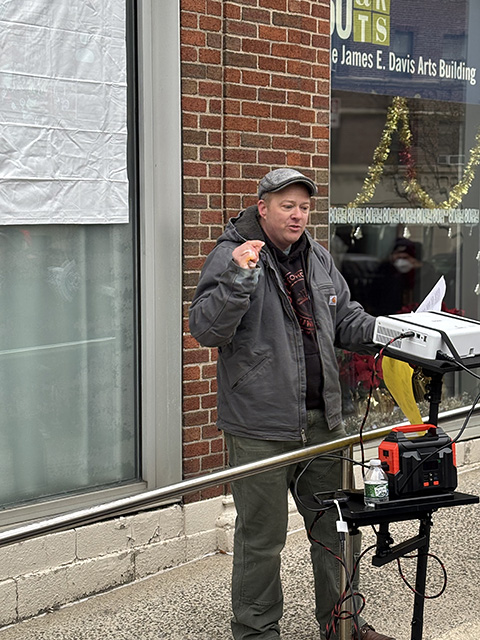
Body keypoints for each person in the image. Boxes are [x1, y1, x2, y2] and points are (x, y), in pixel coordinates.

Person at [189, 168, 395, 640]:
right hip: (260, 425)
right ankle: (257, 632)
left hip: (323, 420)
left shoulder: (317, 257)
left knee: (335, 529)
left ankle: (343, 625)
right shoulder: (233, 254)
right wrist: (239, 277)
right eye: (287, 206)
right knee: (262, 539)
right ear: (263, 208)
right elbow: (207, 329)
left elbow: (345, 319)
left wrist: (392, 332)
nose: (298, 215)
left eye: (304, 206)